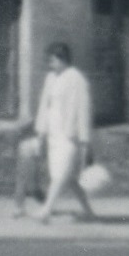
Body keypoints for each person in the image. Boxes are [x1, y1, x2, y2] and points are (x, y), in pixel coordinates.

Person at [27, 41, 98, 223]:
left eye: (53, 60)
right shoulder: (51, 78)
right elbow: (45, 106)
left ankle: (46, 210)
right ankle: (89, 212)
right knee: (69, 177)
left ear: (63, 59)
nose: (50, 64)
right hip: (53, 135)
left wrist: (85, 140)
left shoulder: (76, 79)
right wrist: (40, 134)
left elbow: (83, 110)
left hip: (69, 135)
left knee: (60, 175)